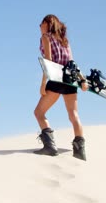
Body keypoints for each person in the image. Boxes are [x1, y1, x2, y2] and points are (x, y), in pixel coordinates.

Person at [33, 14, 89, 161]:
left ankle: (50, 147)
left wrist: (43, 84)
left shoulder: (46, 37)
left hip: (56, 79)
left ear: (47, 24)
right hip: (70, 81)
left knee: (39, 112)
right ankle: (79, 152)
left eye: (41, 23)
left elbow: (48, 62)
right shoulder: (65, 40)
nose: (39, 26)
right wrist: (82, 80)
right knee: (74, 115)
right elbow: (72, 63)